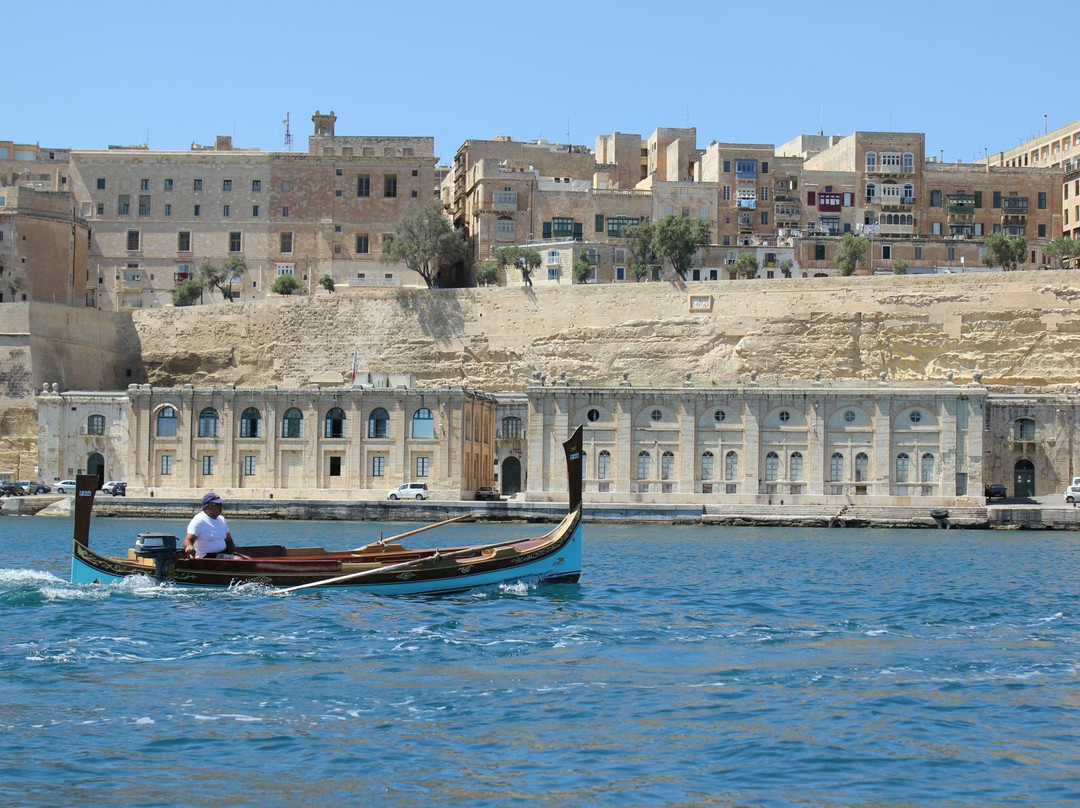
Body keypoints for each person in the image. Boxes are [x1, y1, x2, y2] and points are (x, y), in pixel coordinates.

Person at [183, 492, 248, 559]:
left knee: (247, 558)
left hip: (222, 553)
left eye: (220, 504)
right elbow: (188, 539)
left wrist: (233, 552)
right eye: (216, 504)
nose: (220, 506)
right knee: (238, 559)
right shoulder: (199, 520)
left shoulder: (221, 519)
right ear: (207, 507)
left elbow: (228, 540)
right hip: (205, 556)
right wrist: (189, 546)